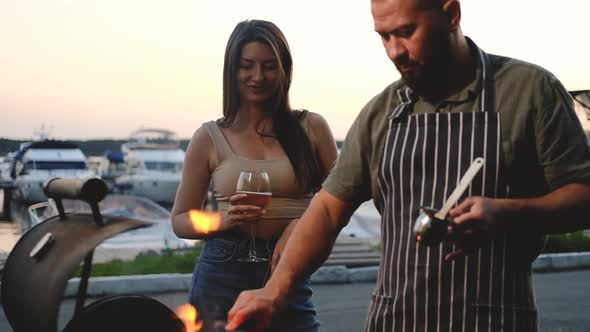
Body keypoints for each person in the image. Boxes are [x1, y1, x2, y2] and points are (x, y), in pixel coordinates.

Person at [226, 1, 590, 331]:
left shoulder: (529, 91)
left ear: (451, 14)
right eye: (383, 36)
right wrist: (274, 290)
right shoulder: (381, 113)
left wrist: (509, 213)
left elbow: (584, 197)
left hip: (494, 319)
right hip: (395, 320)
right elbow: (326, 211)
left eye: (405, 32)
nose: (394, 51)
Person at [170, 20, 337, 331]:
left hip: (288, 273)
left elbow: (342, 198)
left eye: (269, 66)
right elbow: (180, 219)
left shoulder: (312, 127)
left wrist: (302, 224)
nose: (258, 77)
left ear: (285, 70)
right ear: (232, 72)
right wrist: (224, 220)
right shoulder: (208, 137)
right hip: (222, 271)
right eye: (247, 66)